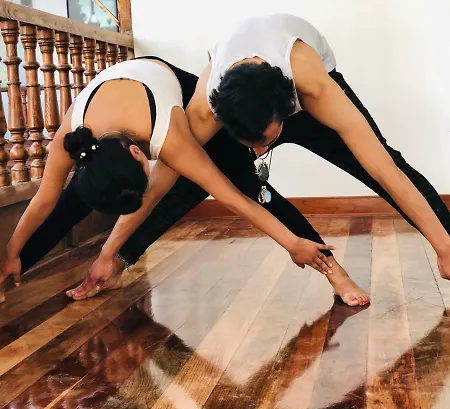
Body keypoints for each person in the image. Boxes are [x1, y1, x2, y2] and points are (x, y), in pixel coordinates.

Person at [0, 57, 370, 307]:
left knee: (251, 188)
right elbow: (43, 201)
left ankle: (334, 272)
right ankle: (7, 274)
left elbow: (233, 200)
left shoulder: (171, 136)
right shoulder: (74, 136)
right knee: (71, 200)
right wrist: (13, 251)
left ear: (139, 153)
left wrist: (291, 244)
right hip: (125, 98)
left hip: (178, 91)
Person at [181, 13, 450, 278]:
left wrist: (444, 248)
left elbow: (386, 170)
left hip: (302, 79)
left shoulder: (315, 89)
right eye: (251, 145)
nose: (261, 153)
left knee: (381, 163)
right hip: (245, 93)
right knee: (194, 174)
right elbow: (171, 165)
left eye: (266, 142)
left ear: (287, 113)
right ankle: (335, 274)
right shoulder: (207, 107)